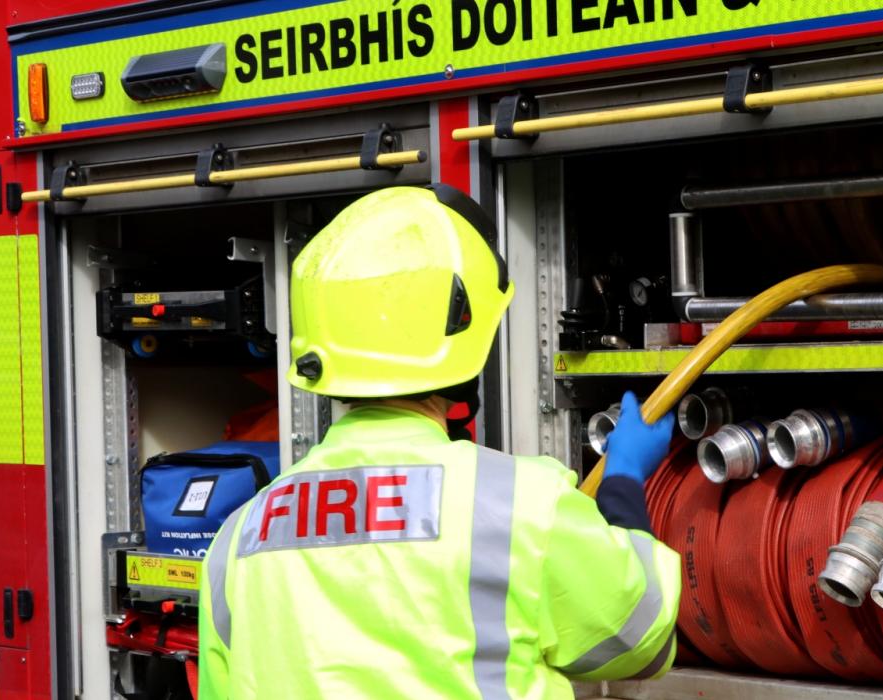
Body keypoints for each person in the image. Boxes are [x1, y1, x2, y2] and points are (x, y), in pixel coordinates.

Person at [198, 184, 680, 699]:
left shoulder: (237, 541)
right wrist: (624, 480)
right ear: (463, 345)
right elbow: (640, 638)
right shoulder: (519, 508)